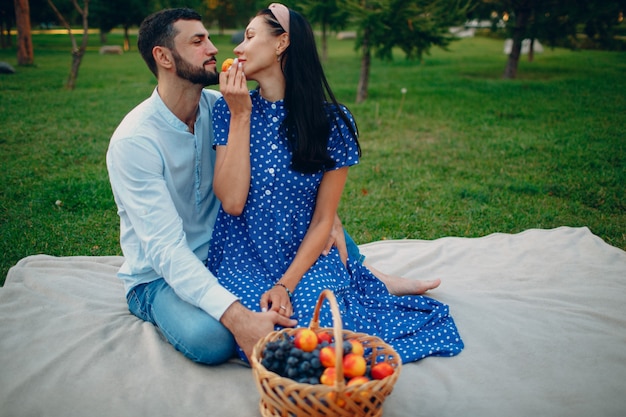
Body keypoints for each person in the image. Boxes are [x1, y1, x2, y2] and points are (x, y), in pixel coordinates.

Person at [106, 7, 439, 366]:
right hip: (166, 270)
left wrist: (330, 216)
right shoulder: (137, 141)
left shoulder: (221, 104)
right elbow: (171, 247)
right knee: (211, 341)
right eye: (199, 41)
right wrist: (239, 319)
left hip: (238, 246)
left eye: (215, 37)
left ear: (283, 43)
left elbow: (289, 181)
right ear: (163, 56)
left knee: (314, 224)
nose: (218, 49)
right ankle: (360, 280)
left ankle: (368, 278)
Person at [208, 3, 463, 363]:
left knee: (325, 335)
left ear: (282, 44)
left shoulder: (333, 122)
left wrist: (286, 284)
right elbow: (232, 203)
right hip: (242, 255)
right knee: (265, 336)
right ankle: (366, 280)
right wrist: (241, 116)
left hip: (305, 257)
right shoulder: (229, 110)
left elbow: (324, 220)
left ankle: (362, 284)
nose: (237, 48)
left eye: (250, 36)